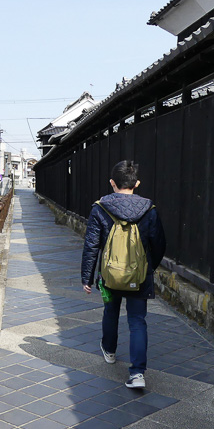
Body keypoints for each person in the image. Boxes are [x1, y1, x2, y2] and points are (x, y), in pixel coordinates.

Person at [81, 160, 166, 389]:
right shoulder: (149, 209)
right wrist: (148, 267)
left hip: (109, 275)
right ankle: (137, 373)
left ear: (112, 183)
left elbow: (91, 246)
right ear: (136, 183)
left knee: (110, 311)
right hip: (139, 275)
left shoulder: (100, 208)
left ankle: (109, 350)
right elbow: (159, 244)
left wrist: (87, 278)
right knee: (137, 321)